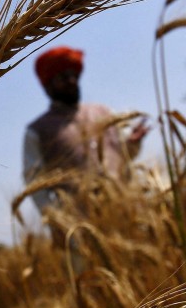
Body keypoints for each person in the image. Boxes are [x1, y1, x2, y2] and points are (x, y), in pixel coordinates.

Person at [22, 45, 150, 215]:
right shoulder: (36, 132)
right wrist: (58, 222)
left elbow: (123, 156)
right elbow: (35, 185)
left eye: (74, 75)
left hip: (126, 211)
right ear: (47, 86)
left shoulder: (104, 113)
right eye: (63, 77)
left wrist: (133, 144)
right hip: (81, 227)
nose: (72, 81)